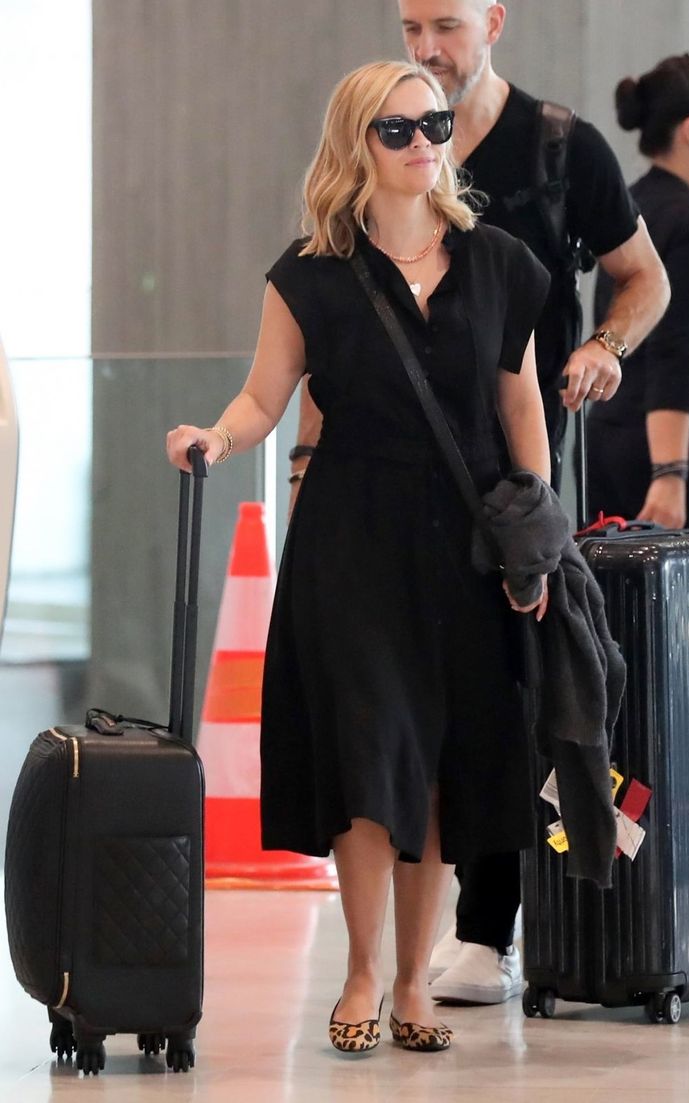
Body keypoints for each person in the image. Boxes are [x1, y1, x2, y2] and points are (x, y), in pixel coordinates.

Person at [168, 58, 556, 1054]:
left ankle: (417, 979)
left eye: (434, 123)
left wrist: (535, 532)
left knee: (436, 766)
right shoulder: (309, 275)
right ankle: (361, 967)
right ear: (356, 145)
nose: (423, 141)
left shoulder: (499, 262)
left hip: (468, 545)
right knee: (369, 748)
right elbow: (265, 396)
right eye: (397, 129)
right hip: (352, 540)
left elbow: (519, 404)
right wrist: (213, 437)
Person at [287, 0, 671, 1008]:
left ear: (493, 22)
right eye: (411, 25)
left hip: (516, 476)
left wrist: (602, 347)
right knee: (413, 704)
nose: (426, 47)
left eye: (446, 25)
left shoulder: (559, 147)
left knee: (510, 689)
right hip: (395, 491)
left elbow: (644, 280)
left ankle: (489, 926)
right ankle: (449, 943)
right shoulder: (377, 173)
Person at [589, 55, 689, 529]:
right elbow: (678, 354)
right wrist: (670, 472)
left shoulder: (630, 207)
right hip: (681, 461)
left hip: (612, 445)